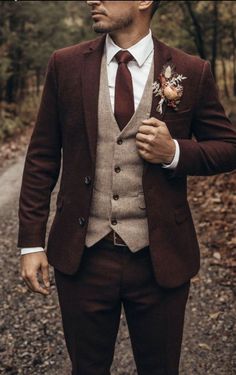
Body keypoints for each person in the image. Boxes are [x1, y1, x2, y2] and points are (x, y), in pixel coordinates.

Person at [18, 1, 236, 374]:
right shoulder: (65, 64)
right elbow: (41, 157)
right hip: (83, 257)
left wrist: (175, 153)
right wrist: (31, 242)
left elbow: (228, 147)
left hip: (160, 259)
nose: (92, 0)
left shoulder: (189, 70)